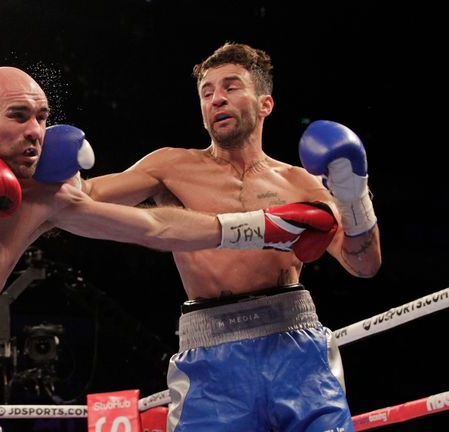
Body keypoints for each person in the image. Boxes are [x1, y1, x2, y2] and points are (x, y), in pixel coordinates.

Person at [0, 66, 339, 432]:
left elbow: (152, 226)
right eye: (18, 115)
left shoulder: (45, 198)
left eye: (41, 117)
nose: (34, 130)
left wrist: (260, 225)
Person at [82, 43, 382, 431]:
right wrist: (51, 167)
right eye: (206, 93)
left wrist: (355, 196)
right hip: (211, 358)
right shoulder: (172, 167)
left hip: (297, 351)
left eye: (231, 87)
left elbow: (364, 263)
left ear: (264, 104)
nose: (216, 99)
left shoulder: (301, 183)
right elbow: (85, 198)